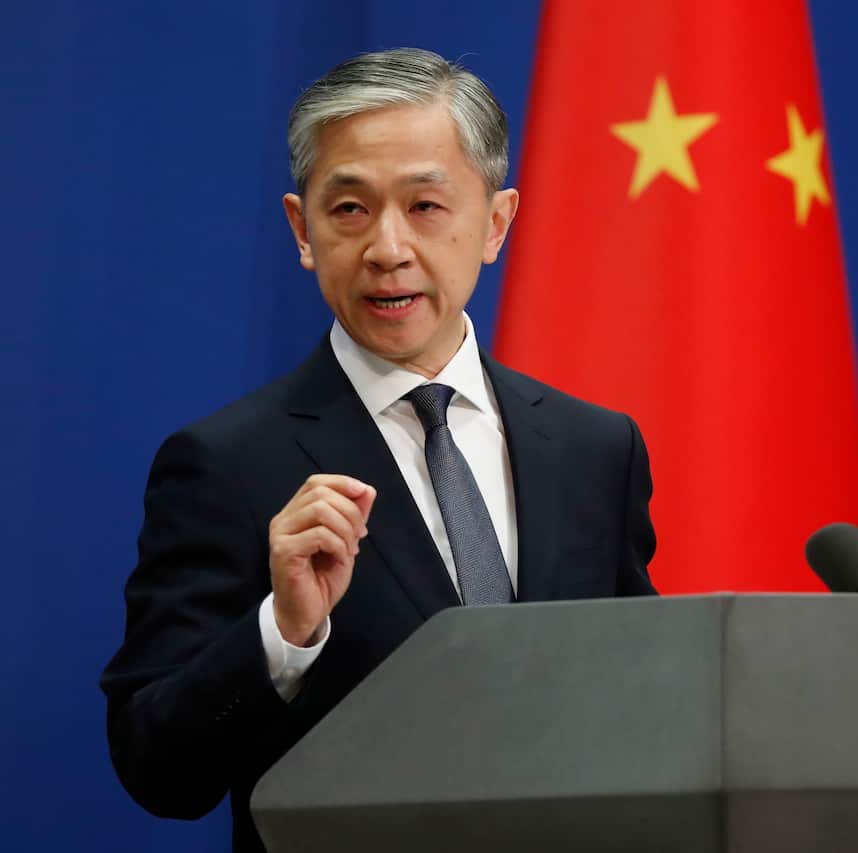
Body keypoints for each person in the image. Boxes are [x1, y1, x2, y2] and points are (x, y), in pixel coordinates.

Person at [100, 48, 658, 853]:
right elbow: (157, 770)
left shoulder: (594, 448)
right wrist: (282, 635)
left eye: (426, 206)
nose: (387, 247)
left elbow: (640, 702)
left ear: (496, 222)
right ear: (302, 229)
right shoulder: (226, 462)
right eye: (350, 210)